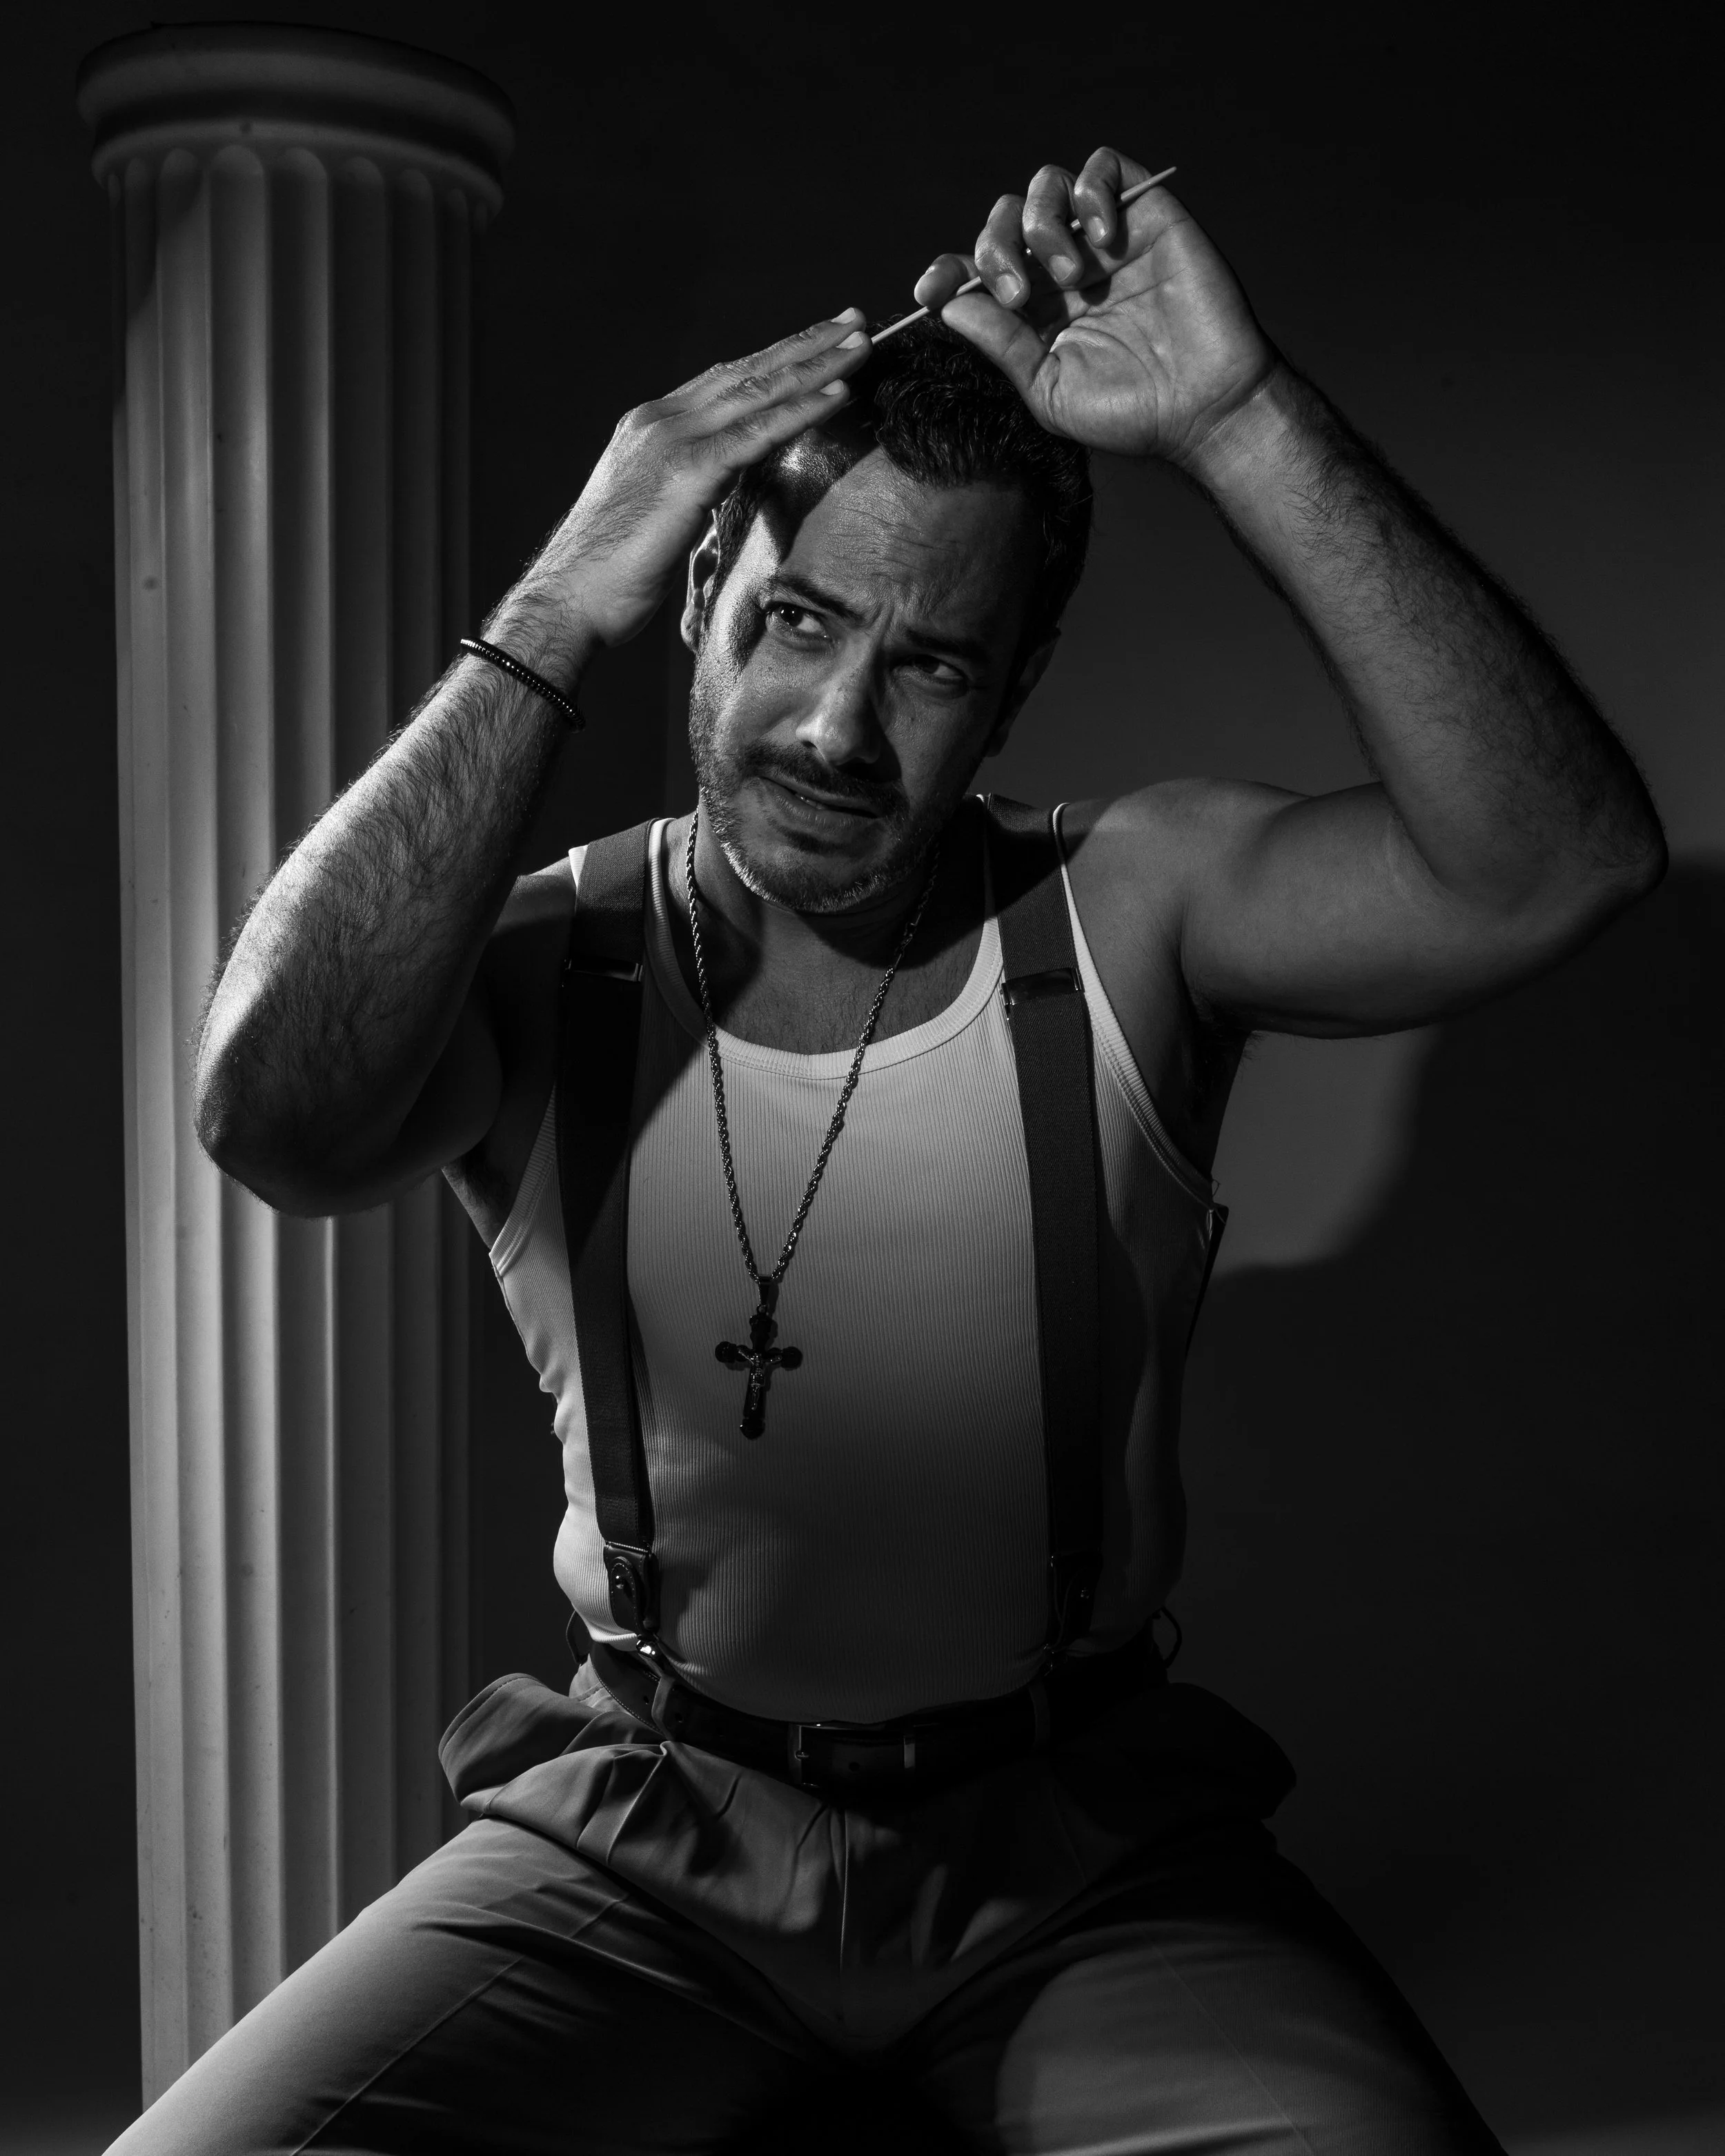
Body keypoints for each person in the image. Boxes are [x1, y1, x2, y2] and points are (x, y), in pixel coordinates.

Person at [146, 149, 1662, 2154]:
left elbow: (1556, 861)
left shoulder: (1135, 903)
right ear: (693, 593)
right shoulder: (541, 954)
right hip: (642, 1843)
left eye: (928, 663)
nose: (835, 728)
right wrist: (552, 599)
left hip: (1077, 1860)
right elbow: (272, 1115)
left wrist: (1235, 417)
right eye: (788, 619)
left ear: (1008, 687)